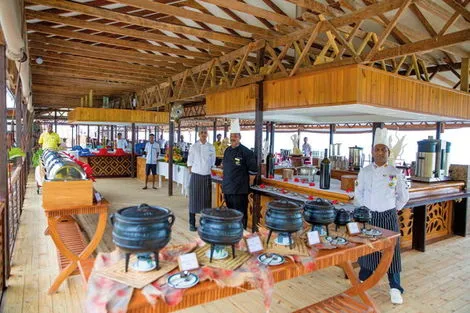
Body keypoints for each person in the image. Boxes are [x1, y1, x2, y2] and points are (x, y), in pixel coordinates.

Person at [355, 127, 409, 305]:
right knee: (367, 250)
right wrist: (364, 209)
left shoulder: (395, 172)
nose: (380, 152)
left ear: (388, 152)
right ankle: (363, 281)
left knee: (391, 253)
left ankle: (395, 288)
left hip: (388, 217)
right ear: (372, 151)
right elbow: (359, 193)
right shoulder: (365, 171)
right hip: (369, 217)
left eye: (383, 149)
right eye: (377, 149)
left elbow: (403, 196)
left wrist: (393, 209)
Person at [222, 119, 257, 229]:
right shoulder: (227, 150)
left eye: (236, 136)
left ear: (240, 137)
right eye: (232, 135)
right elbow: (225, 168)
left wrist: (249, 185)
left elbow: (253, 171)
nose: (233, 138)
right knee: (230, 214)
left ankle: (242, 235)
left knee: (240, 214)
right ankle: (233, 233)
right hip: (228, 188)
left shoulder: (247, 152)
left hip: (239, 190)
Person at [187, 127, 216, 231]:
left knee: (206, 201)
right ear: (199, 134)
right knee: (193, 200)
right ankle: (191, 223)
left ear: (207, 134)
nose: (204, 134)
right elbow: (189, 161)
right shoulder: (193, 146)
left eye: (205, 133)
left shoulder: (211, 147)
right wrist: (192, 171)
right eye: (202, 133)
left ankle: (205, 223)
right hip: (196, 175)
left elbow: (213, 162)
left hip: (207, 175)